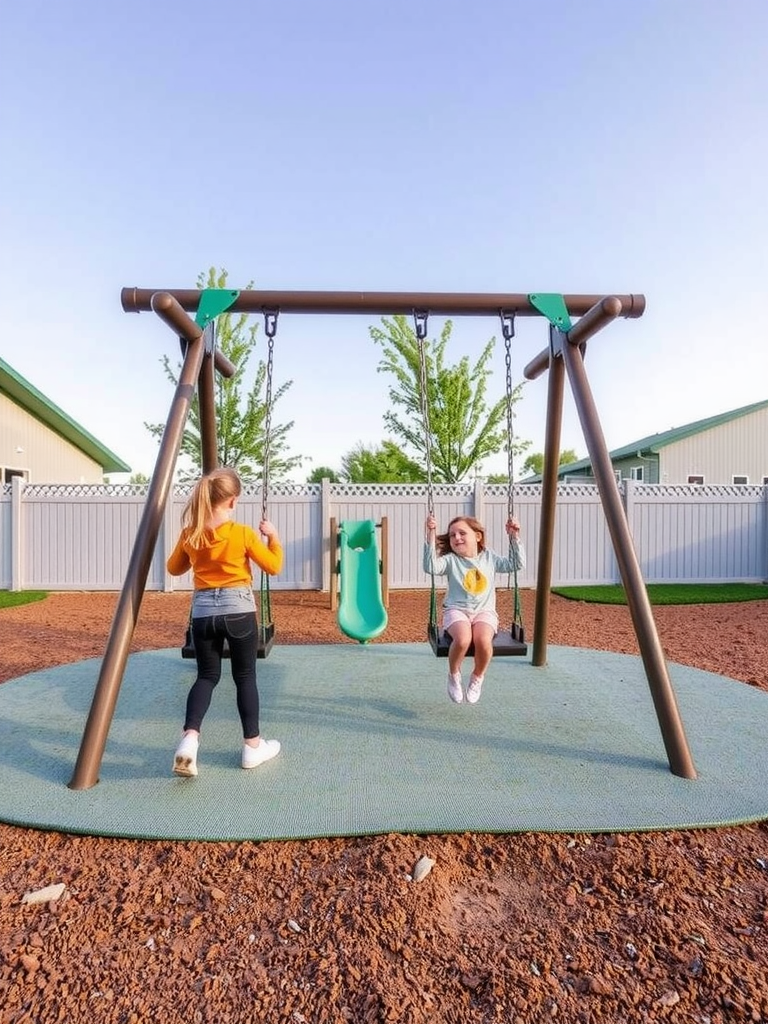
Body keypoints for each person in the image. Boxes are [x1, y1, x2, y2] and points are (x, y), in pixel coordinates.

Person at [167, 467, 283, 777]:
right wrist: (273, 537)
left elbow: (174, 568)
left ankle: (189, 740)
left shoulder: (191, 533)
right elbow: (273, 566)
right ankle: (253, 747)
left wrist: (190, 546)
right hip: (239, 611)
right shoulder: (243, 533)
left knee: (206, 676)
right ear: (232, 501)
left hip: (203, 613)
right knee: (245, 676)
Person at [424, 512, 525, 705]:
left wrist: (514, 536)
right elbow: (430, 566)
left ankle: (477, 677)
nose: (456, 538)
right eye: (452, 535)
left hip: (484, 611)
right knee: (462, 639)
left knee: (483, 640)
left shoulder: (489, 558)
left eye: (462, 533)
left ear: (477, 536)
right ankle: (454, 675)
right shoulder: (451, 560)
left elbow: (515, 564)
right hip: (456, 610)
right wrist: (430, 534)